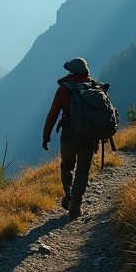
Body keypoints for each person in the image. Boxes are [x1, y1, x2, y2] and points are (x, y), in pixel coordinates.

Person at [42, 57, 96, 218]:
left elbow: (52, 114)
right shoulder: (94, 87)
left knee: (67, 165)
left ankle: (68, 195)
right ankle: (76, 205)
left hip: (69, 134)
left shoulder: (64, 89)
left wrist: (46, 136)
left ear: (72, 71)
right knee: (83, 169)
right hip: (88, 135)